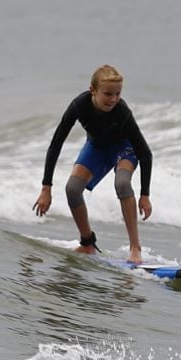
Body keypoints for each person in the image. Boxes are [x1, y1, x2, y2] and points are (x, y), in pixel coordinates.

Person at [32, 64, 154, 264]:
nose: (114, 99)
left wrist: (145, 195)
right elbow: (56, 144)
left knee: (122, 184)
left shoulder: (122, 111)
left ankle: (135, 247)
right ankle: (87, 242)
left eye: (118, 93)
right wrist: (46, 187)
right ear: (93, 91)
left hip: (124, 149)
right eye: (108, 94)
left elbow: (145, 153)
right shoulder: (79, 106)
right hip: (97, 148)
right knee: (72, 189)